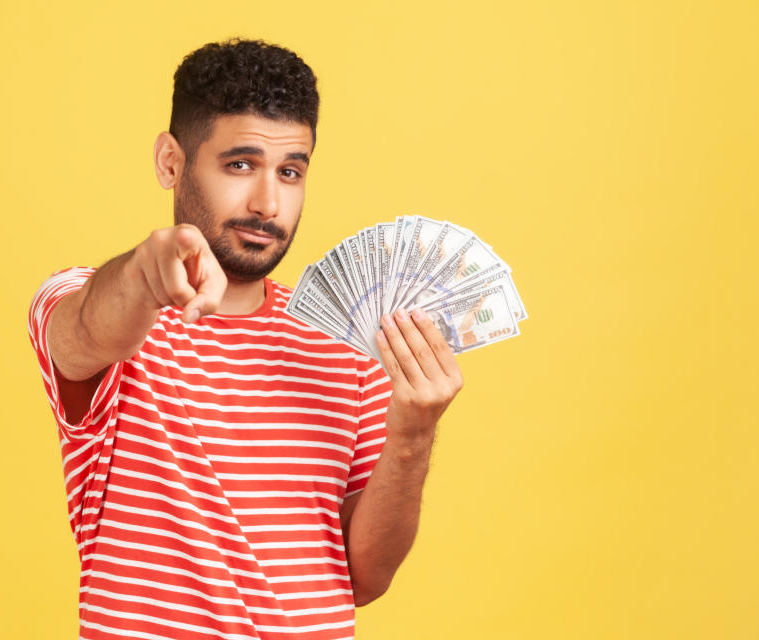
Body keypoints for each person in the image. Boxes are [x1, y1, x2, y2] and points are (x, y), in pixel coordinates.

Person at [27, 38, 463, 640]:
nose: (267, 203)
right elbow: (82, 334)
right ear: (170, 163)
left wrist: (413, 435)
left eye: (290, 172)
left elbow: (365, 577)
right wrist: (144, 270)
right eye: (240, 165)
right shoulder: (97, 306)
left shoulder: (346, 345)